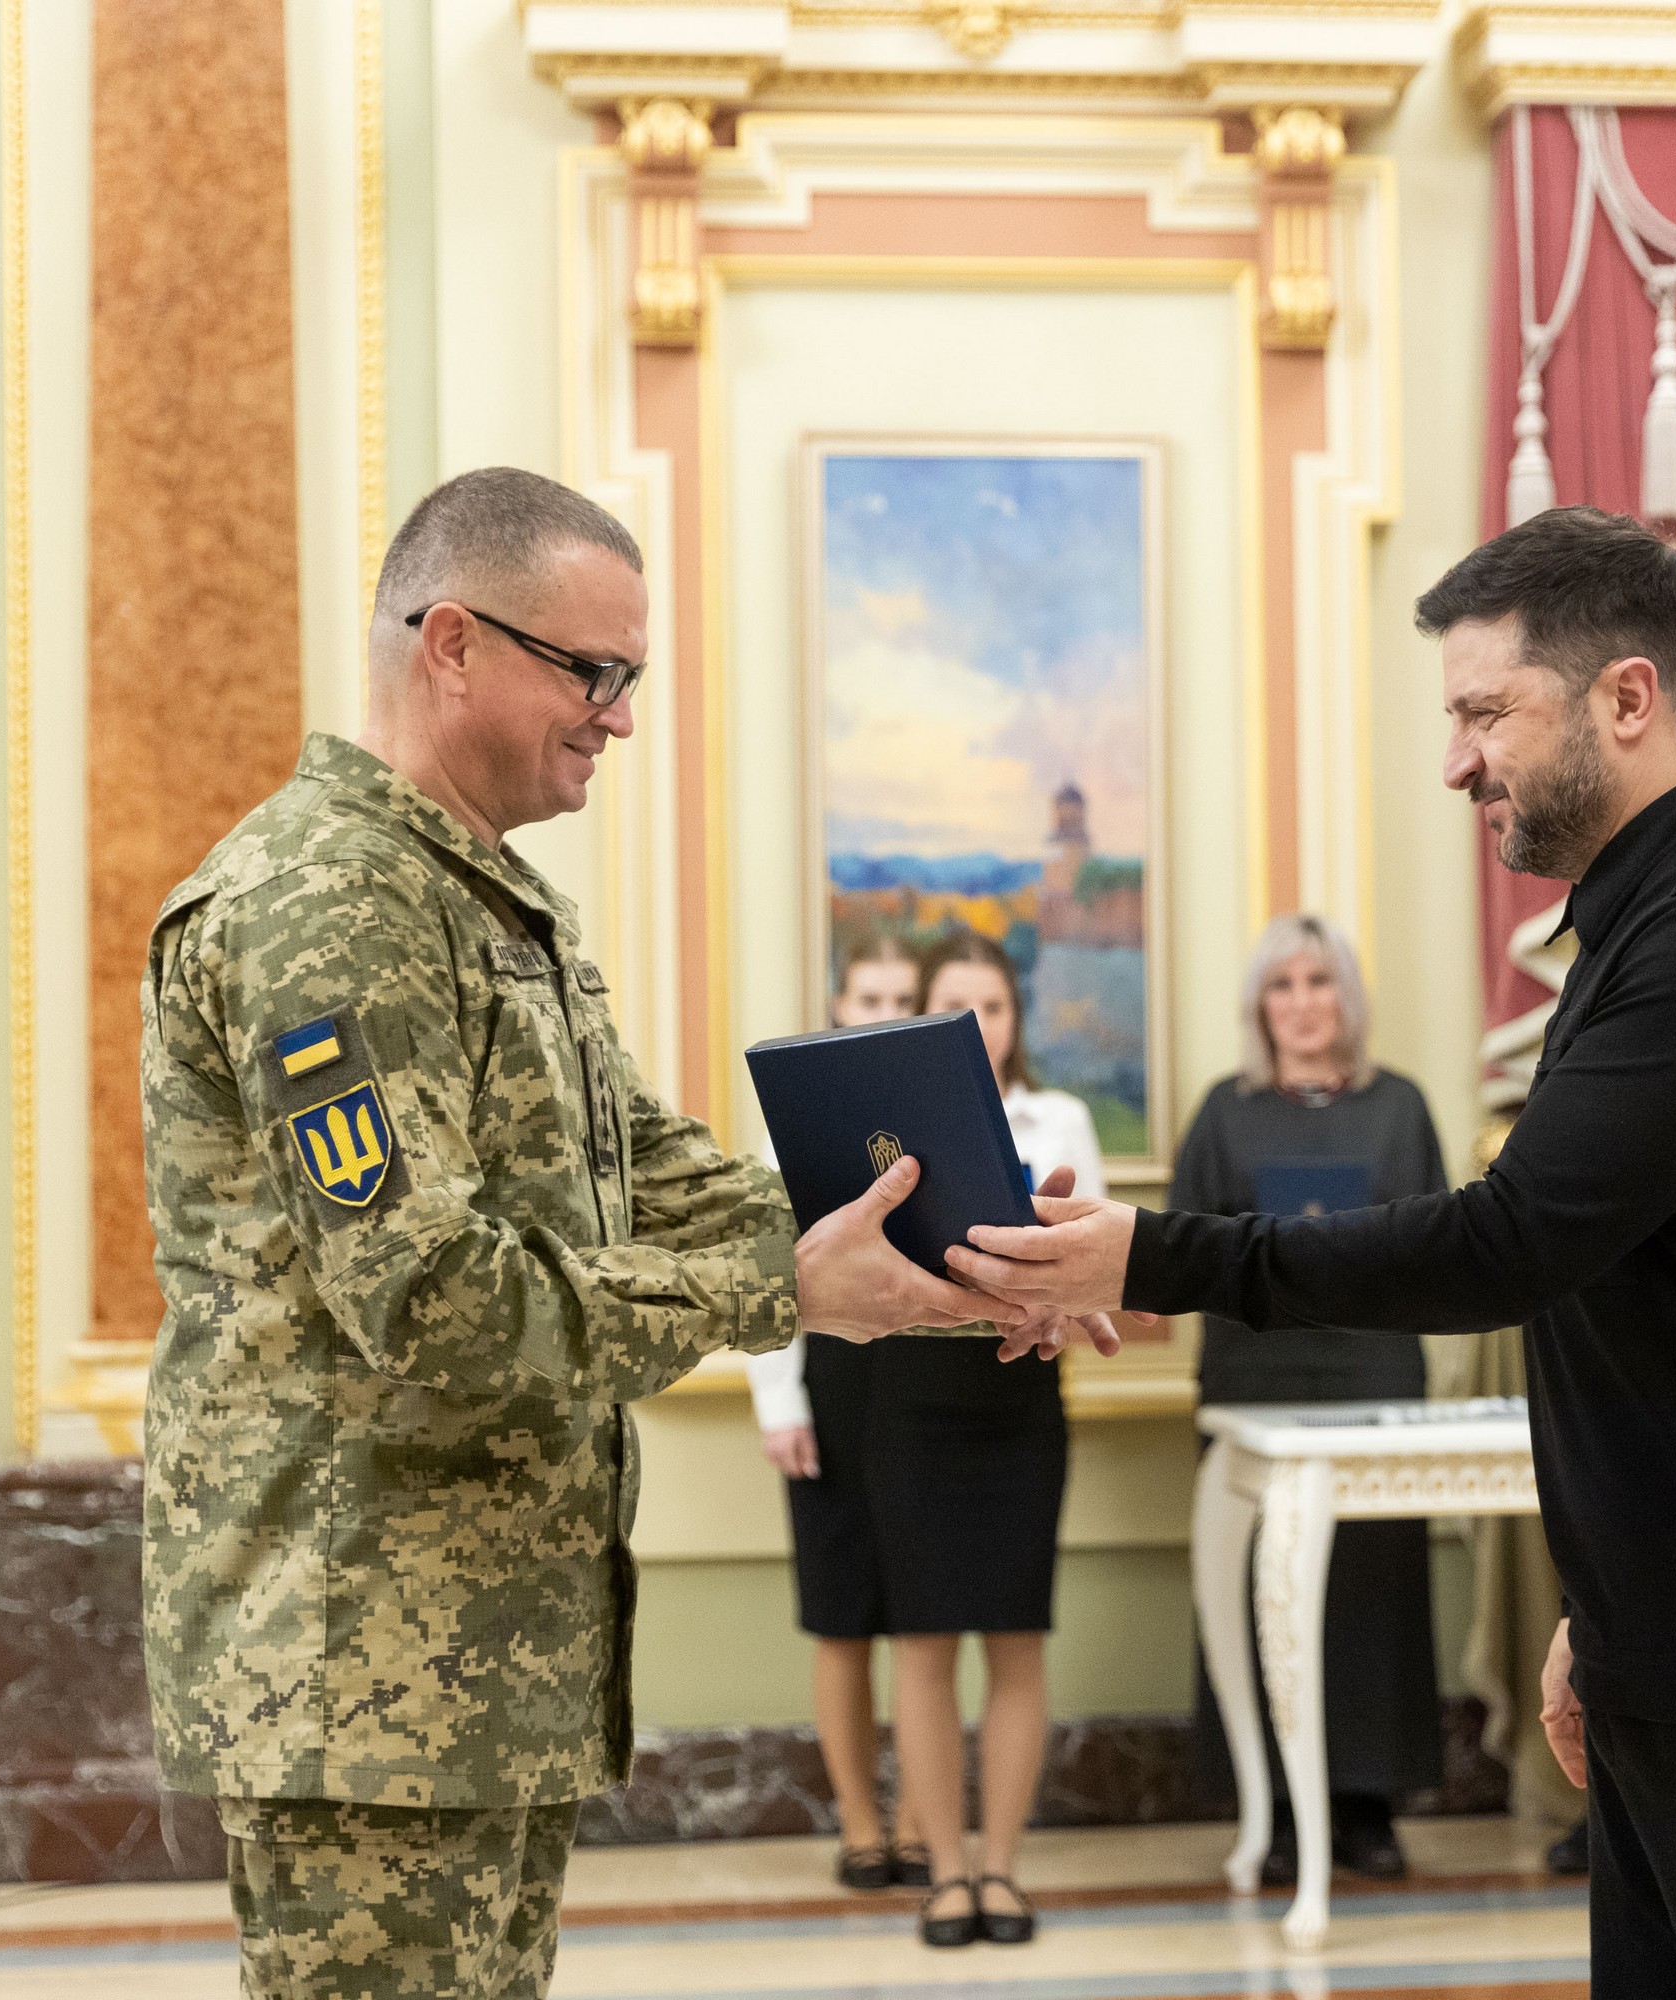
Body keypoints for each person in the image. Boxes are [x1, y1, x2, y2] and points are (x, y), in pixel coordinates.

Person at [952, 506, 1676, 1998]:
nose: (1456, 761)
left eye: (1484, 713)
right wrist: (1609, 1618)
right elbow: (1652, 1306)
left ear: (1626, 698)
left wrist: (1147, 1257)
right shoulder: (1655, 923)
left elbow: (1508, 1243)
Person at [137, 467, 1080, 2000]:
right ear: (453, 643)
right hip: (360, 1666)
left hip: (476, 1656)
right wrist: (782, 1290)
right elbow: (432, 1299)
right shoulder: (329, 908)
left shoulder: (482, 899)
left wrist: (968, 1256)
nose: (619, 717)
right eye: (592, 671)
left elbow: (648, 1170)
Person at [1177, 912, 1447, 1882]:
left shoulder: (1400, 1106)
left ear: (1348, 998)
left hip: (1373, 1378)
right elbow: (1185, 1250)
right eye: (1282, 985)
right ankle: (1279, 1808)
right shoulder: (1224, 1111)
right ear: (1260, 1005)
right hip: (1256, 1383)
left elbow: (1438, 1245)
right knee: (1265, 1591)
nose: (1302, 1003)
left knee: (1371, 1598)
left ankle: (1367, 1806)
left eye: (1319, 981)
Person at [881, 931, 1102, 1950]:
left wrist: (1065, 1293)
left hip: (1021, 1396)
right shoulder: (883, 1131)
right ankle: (946, 1873)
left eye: (996, 1007)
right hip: (907, 1395)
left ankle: (1001, 1867)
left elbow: (1091, 1257)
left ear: (1019, 1017)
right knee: (923, 1640)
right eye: (955, 1006)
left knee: (1016, 1635)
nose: (978, 1026)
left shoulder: (1063, 1120)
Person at [744, 935, 931, 1891]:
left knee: (928, 1615)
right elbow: (769, 1273)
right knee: (843, 1615)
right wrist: (780, 1404)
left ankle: (921, 1820)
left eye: (903, 997)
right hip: (832, 1385)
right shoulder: (794, 1129)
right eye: (869, 996)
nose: (884, 1012)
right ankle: (861, 1825)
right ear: (839, 1007)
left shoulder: (946, 1115)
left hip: (932, 1386)